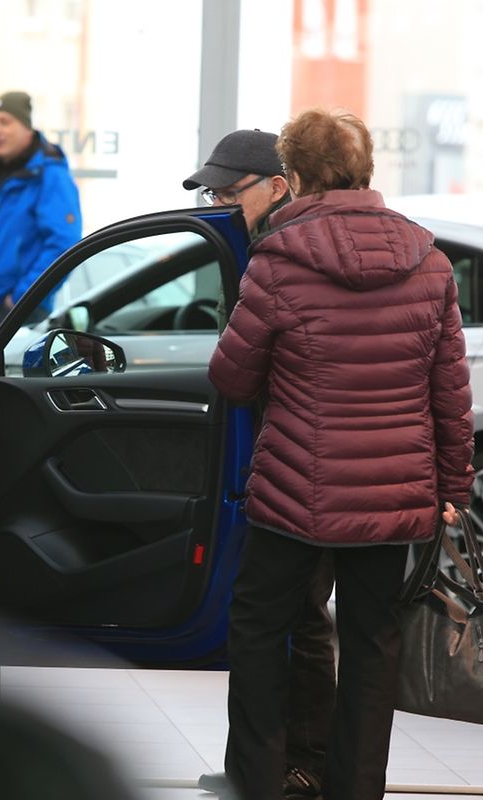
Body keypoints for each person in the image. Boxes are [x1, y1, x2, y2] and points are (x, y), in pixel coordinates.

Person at [202, 109, 474, 800]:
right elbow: (450, 390)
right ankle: (354, 789)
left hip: (295, 491)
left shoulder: (279, 261)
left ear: (292, 177)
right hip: (393, 498)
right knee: (373, 642)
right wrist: (454, 485)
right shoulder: (430, 261)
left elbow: (231, 379)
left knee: (259, 628)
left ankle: (258, 781)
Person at [186, 129, 335, 800]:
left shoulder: (283, 257)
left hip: (301, 469)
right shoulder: (279, 247)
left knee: (279, 621)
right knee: (301, 619)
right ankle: (296, 767)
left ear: (279, 186)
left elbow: (235, 373)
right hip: (332, 468)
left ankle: (284, 769)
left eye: (228, 191)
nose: (220, 204)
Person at [0, 90, 82, 327]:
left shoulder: (50, 176)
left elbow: (64, 244)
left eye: (5, 122)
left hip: (20, 312)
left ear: (27, 128)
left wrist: (22, 297)